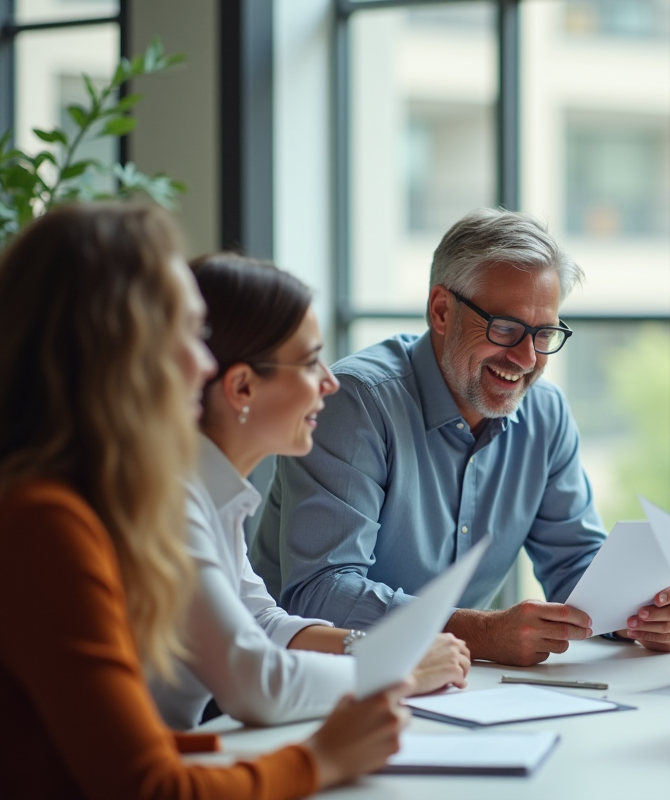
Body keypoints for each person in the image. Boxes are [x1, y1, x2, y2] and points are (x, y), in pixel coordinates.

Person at [0, 203, 412, 798]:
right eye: (187, 335)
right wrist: (319, 759)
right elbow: (147, 785)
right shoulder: (47, 522)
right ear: (117, 352)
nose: (204, 363)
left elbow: (123, 746)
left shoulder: (90, 503)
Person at [251, 208, 670, 666]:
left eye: (544, 334)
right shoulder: (355, 403)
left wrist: (639, 612)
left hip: (449, 688)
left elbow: (575, 567)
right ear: (441, 310)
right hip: (311, 684)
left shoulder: (546, 412)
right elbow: (320, 593)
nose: (526, 358)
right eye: (505, 328)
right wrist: (479, 633)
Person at [150, 253, 470, 730]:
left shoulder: (213, 494)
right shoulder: (171, 503)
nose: (330, 381)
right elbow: (256, 682)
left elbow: (263, 624)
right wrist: (393, 671)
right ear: (241, 388)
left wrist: (381, 648)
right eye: (308, 362)